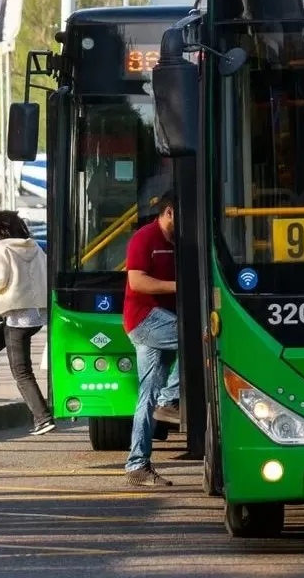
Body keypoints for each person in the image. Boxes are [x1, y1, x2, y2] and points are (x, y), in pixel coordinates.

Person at [0, 210, 56, 436]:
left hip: (17, 317)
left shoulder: (1, 249)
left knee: (21, 371)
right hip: (34, 315)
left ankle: (43, 418)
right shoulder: (34, 247)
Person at [122, 191, 180, 487]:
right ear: (169, 212)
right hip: (145, 319)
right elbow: (137, 281)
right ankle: (171, 400)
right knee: (199, 338)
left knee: (146, 397)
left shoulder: (179, 240)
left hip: (163, 320)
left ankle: (137, 465)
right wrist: (177, 285)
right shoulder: (144, 238)